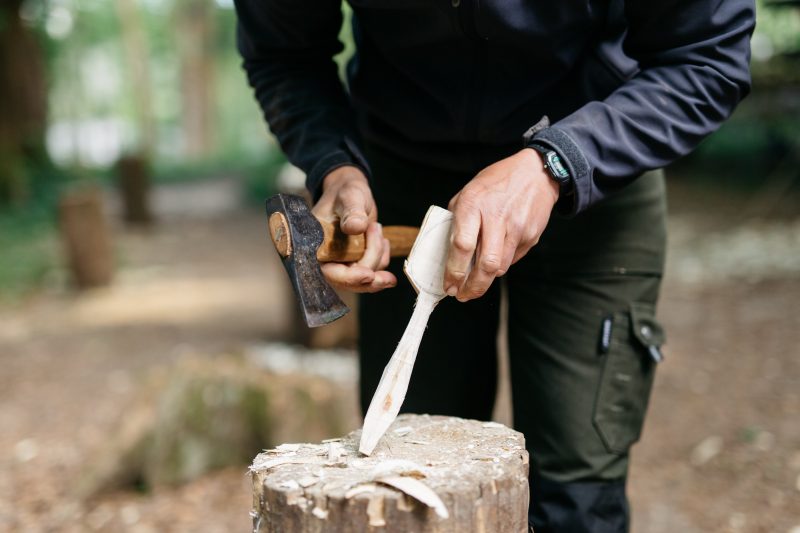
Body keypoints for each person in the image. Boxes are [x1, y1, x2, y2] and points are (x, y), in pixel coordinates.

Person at [233, 1, 754, 531]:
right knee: (409, 479)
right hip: (405, 175)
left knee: (577, 502)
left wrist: (557, 163)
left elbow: (707, 58)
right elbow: (284, 55)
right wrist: (334, 163)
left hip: (599, 165)